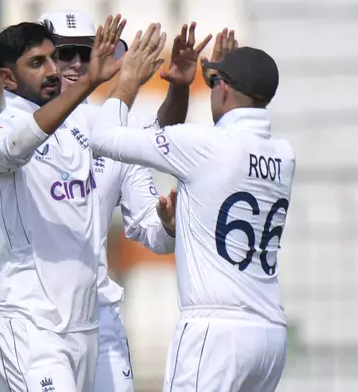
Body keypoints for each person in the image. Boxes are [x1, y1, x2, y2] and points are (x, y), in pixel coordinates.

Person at [0, 10, 211, 392]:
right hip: (28, 317)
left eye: (86, 54)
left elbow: (155, 229)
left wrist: (169, 225)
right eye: (61, 53)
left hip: (96, 316)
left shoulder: (107, 127)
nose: (71, 65)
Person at [88, 27, 294, 392]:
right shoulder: (283, 155)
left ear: (225, 89)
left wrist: (128, 82)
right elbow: (226, 153)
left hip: (214, 330)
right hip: (269, 334)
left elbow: (103, 138)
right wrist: (206, 81)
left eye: (215, 82)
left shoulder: (204, 146)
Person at [0, 15, 135, 392]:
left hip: (84, 324)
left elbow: (133, 136)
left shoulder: (81, 129)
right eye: (37, 63)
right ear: (8, 79)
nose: (52, 71)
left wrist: (132, 83)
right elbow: (16, 146)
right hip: (30, 322)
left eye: (51, 59)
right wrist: (91, 82)